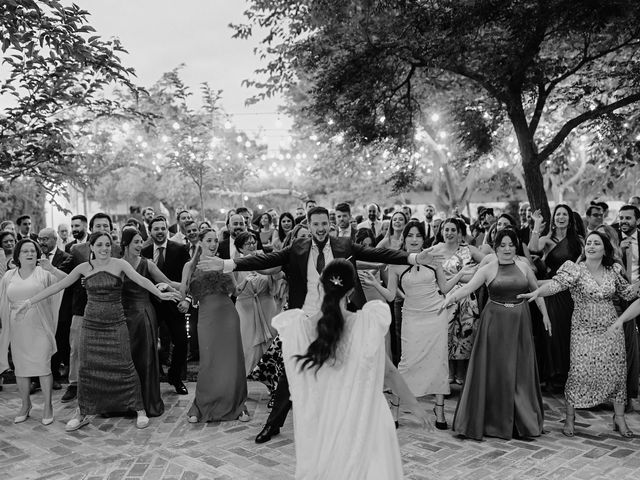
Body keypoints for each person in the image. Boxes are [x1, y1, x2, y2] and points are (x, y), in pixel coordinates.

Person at [199, 206, 436, 444]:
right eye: (316, 224)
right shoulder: (297, 248)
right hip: (306, 318)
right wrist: (226, 264)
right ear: (310, 225)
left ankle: (347, 424)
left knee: (345, 371)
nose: (321, 229)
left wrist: (413, 257)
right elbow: (266, 258)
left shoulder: (344, 245)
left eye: (324, 224)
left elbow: (378, 254)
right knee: (291, 371)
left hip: (341, 318)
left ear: (329, 224)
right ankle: (273, 424)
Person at [15, 232, 180, 431]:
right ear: (91, 247)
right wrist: (29, 302)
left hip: (116, 323)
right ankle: (82, 412)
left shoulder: (120, 264)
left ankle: (139, 409)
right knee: (87, 369)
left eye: (107, 244)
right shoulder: (83, 268)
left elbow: (141, 281)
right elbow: (59, 286)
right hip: (91, 325)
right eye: (100, 244)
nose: (104, 248)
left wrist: (160, 293)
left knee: (125, 365)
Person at [274, 259, 403, 479]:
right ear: (352, 291)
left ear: (319, 286)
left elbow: (297, 378)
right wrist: (416, 408)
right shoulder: (367, 324)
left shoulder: (299, 328)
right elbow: (389, 372)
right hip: (364, 415)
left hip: (324, 416)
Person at [520, 231, 640, 437]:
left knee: (617, 372)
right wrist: (537, 292)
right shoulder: (575, 269)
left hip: (611, 330)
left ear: (605, 249)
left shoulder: (612, 271)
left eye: (596, 243)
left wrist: (637, 285)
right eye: (589, 243)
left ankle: (619, 419)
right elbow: (556, 285)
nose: (591, 246)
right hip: (583, 330)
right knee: (579, 372)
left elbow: (627, 293)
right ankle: (570, 418)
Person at [364, 221, 474, 430]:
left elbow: (443, 288)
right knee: (407, 363)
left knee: (438, 362)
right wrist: (375, 283)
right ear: (404, 239)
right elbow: (390, 295)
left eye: (418, 236)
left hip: (436, 316)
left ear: (424, 239)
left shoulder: (433, 260)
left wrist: (460, 275)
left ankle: (439, 410)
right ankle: (394, 410)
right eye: (410, 236)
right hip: (412, 318)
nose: (414, 239)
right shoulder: (396, 263)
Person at [442, 229, 551, 440]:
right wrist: (450, 298)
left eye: (511, 244)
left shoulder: (524, 266)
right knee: (495, 370)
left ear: (516, 245)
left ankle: (521, 420)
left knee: (520, 370)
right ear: (496, 246)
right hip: (494, 325)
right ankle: (492, 420)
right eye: (503, 245)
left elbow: (536, 292)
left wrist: (545, 315)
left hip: (520, 322)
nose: (507, 249)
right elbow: (468, 288)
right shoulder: (487, 269)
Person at [181, 229, 250, 423]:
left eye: (215, 241)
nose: (213, 244)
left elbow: (235, 290)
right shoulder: (190, 265)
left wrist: (247, 281)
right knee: (209, 361)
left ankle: (237, 405)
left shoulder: (222, 264)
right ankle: (201, 406)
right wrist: (167, 289)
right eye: (209, 240)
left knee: (231, 361)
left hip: (228, 316)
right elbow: (184, 291)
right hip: (206, 318)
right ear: (200, 242)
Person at [0, 239, 66, 425]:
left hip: (40, 325)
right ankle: (25, 405)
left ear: (38, 254)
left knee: (43, 366)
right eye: (25, 251)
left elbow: (67, 280)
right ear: (18, 255)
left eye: (33, 251)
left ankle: (47, 407)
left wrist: (51, 268)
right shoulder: (9, 276)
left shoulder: (43, 272)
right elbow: (3, 303)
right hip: (18, 327)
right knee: (21, 368)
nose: (30, 254)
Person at [121, 227, 181, 417]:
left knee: (144, 358)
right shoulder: (116, 264)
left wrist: (188, 284)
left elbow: (168, 282)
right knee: (125, 359)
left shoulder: (147, 264)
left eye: (141, 242)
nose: (140, 245)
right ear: (126, 244)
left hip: (143, 315)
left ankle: (147, 402)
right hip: (121, 316)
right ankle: (126, 402)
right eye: (136, 242)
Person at [528, 204, 583, 390]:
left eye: (564, 214)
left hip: (571, 292)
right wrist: (536, 225)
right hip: (550, 290)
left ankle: (568, 374)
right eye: (558, 214)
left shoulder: (579, 241)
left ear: (570, 218)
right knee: (551, 331)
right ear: (554, 219)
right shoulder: (547, 240)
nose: (561, 217)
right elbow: (533, 247)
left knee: (568, 332)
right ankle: (552, 375)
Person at [429, 218, 485, 384]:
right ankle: (448, 373)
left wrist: (476, 274)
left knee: (464, 337)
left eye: (453, 230)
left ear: (460, 233)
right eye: (446, 229)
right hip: (443, 298)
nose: (449, 233)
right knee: (445, 337)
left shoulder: (469, 249)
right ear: (441, 231)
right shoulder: (435, 250)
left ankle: (461, 374)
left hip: (467, 299)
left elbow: (489, 262)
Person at [141, 216, 190, 395]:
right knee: (148, 343)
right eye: (156, 229)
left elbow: (188, 278)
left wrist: (186, 299)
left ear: (167, 231)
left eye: (163, 228)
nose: (160, 232)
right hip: (151, 304)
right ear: (150, 231)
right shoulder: (143, 252)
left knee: (182, 342)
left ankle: (175, 377)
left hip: (174, 302)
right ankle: (150, 378)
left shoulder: (180, 249)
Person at [233, 231, 279, 373]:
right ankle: (245, 377)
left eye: (254, 242)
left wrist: (271, 275)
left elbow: (275, 281)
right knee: (247, 345)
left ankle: (272, 380)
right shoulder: (235, 264)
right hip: (246, 308)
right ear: (240, 248)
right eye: (248, 243)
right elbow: (233, 291)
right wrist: (245, 283)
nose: (252, 245)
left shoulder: (265, 259)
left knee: (270, 345)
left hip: (267, 305)